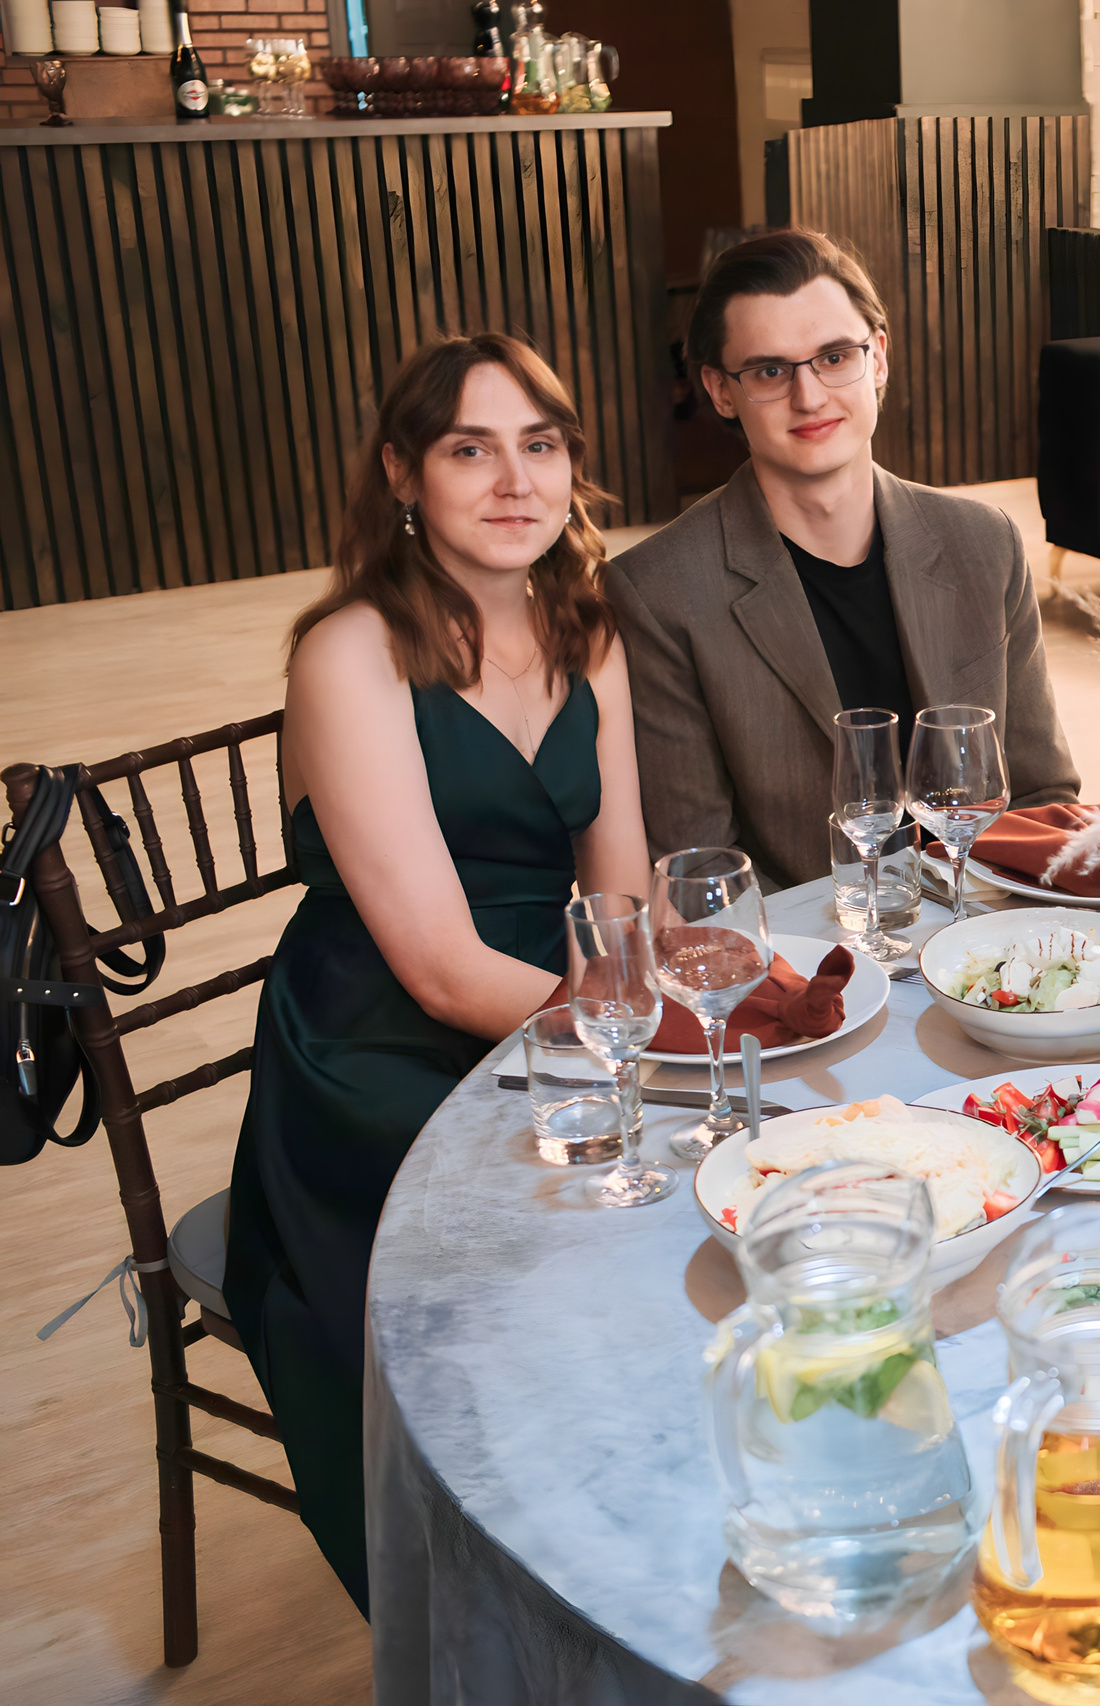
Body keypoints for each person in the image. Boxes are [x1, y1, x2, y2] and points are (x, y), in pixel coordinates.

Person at [227, 334, 652, 1609]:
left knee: (687, 1177)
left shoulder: (587, 627)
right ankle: (511, 1582)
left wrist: (632, 1005)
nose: (514, 480)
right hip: (374, 1045)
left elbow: (617, 890)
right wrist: (644, 1046)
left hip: (547, 1005)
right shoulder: (348, 651)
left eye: (541, 444)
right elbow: (436, 966)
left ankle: (630, 1529)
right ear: (405, 474)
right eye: (471, 449)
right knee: (560, 1225)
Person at [607, 230, 1077, 888]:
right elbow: (705, 872)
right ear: (719, 390)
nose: (809, 396)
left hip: (982, 937)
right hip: (810, 962)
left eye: (834, 356)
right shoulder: (658, 591)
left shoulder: (983, 542)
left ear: (877, 357)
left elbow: (1041, 796)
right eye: (770, 370)